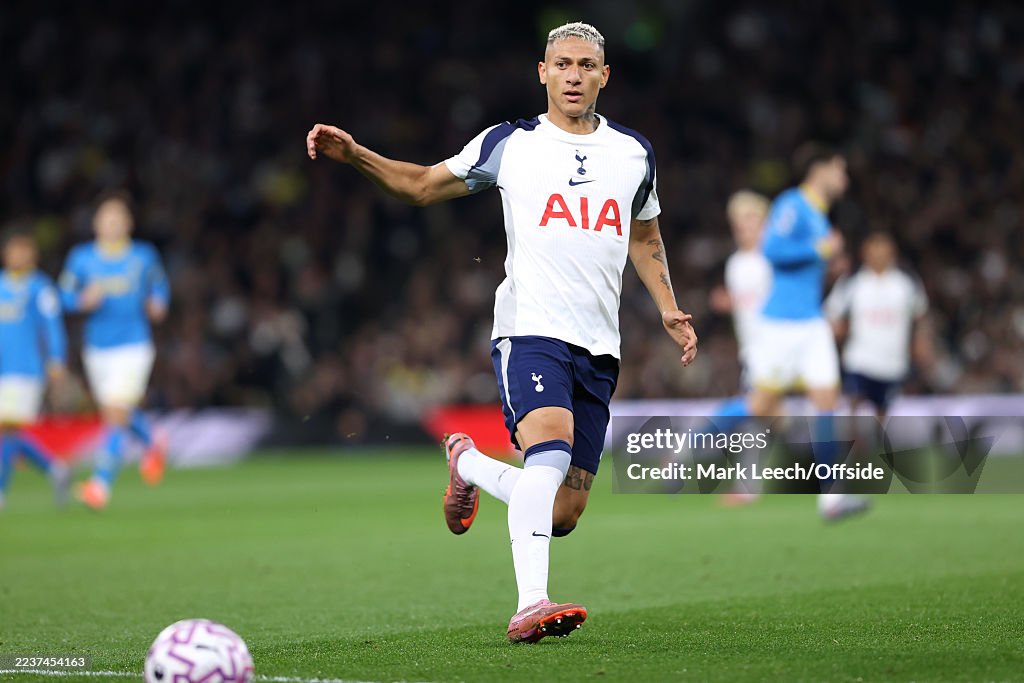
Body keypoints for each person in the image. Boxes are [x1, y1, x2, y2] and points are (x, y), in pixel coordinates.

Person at [306, 22, 697, 642]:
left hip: (599, 345)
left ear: (604, 76)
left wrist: (668, 308)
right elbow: (422, 185)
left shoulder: (633, 154)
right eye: (562, 64)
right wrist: (357, 155)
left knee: (563, 510)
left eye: (585, 65)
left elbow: (645, 235)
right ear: (542, 73)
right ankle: (530, 605)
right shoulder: (509, 144)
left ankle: (468, 464)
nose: (573, 75)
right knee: (550, 451)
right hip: (530, 330)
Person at [724, 143, 869, 521]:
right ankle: (685, 452)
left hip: (809, 321)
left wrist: (827, 263)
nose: (844, 178)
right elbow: (772, 249)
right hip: (781, 323)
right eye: (839, 169)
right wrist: (820, 249)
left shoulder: (819, 214)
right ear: (819, 170)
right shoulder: (793, 203)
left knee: (826, 399)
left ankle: (832, 498)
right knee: (760, 406)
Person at [59, 191, 170, 510]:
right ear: (96, 224)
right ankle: (152, 439)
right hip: (97, 347)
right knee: (115, 413)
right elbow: (63, 295)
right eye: (107, 218)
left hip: (134, 343)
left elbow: (160, 285)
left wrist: (159, 303)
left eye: (118, 218)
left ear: (129, 223)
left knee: (116, 415)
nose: (112, 224)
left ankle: (100, 485)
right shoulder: (81, 258)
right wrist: (81, 301)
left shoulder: (143, 256)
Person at [707, 191, 771, 505]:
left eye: (750, 219)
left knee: (758, 410)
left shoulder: (773, 259)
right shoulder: (735, 264)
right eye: (738, 221)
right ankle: (749, 487)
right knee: (758, 417)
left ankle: (686, 448)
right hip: (752, 351)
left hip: (777, 350)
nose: (743, 227)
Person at [0, 231, 70, 509]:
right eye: (13, 250)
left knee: (7, 426)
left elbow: (52, 326)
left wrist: (56, 359)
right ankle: (55, 469)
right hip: (2, 369)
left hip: (26, 369)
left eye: (23, 251)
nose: (17, 256)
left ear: (32, 256)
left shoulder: (40, 288)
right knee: (10, 433)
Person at [825, 232, 930, 417]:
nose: (878, 257)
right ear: (864, 254)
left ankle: (879, 443)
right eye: (874, 252)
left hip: (892, 360)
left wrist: (922, 342)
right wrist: (837, 336)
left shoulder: (906, 283)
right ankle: (854, 442)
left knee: (883, 410)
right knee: (854, 403)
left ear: (892, 254)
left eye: (883, 252)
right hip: (859, 358)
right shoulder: (852, 282)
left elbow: (920, 315)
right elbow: (833, 314)